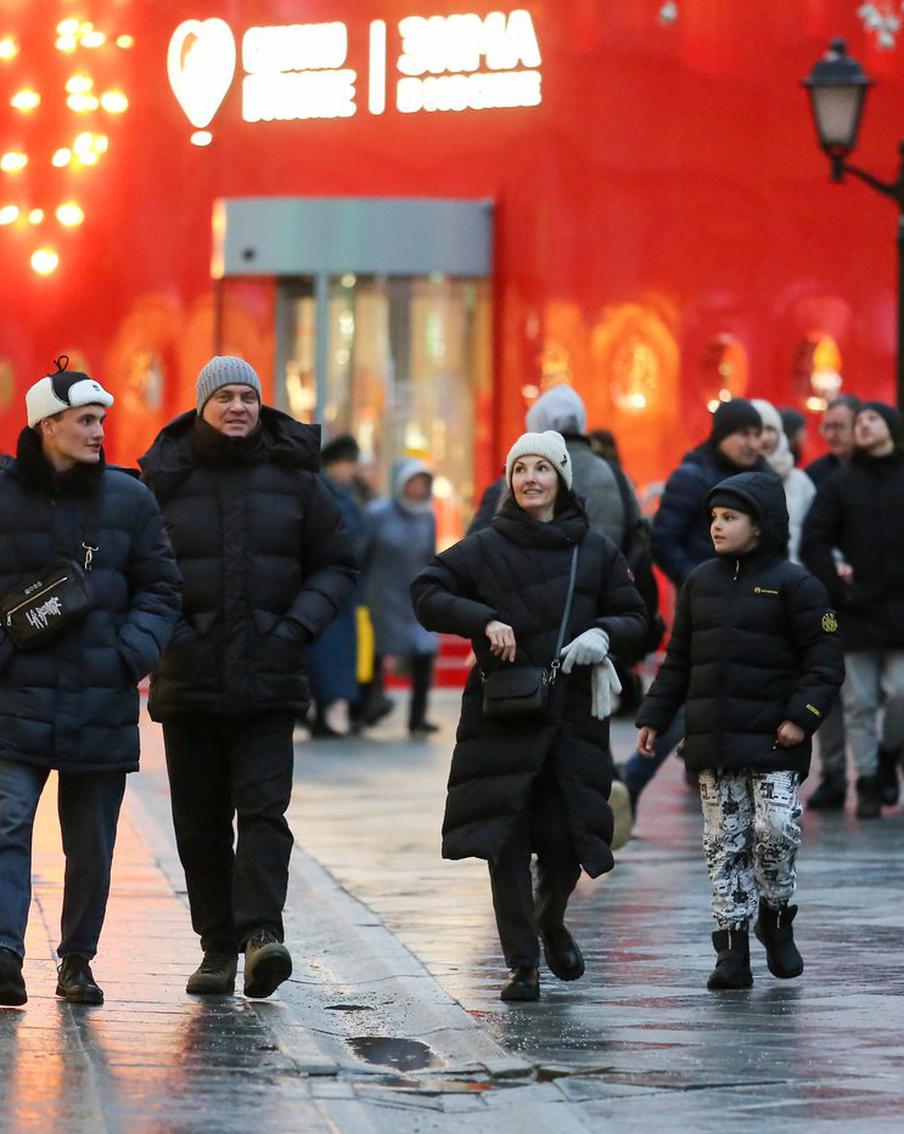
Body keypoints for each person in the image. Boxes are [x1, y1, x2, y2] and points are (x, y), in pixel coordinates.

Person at [139, 356, 357, 999]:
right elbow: (138, 570)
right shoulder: (165, 477)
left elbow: (337, 564)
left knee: (264, 812)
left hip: (269, 676)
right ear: (202, 406)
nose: (238, 407)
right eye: (225, 397)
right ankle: (216, 947)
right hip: (190, 681)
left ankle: (262, 933)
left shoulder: (296, 477)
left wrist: (294, 629)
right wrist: (175, 636)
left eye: (248, 397)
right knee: (200, 822)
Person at [411, 431, 646, 1002]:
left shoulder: (594, 549)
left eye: (541, 468)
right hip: (503, 711)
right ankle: (522, 964)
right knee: (507, 841)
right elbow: (426, 591)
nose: (530, 479)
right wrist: (482, 620)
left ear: (561, 479)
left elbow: (637, 618)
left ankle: (550, 917)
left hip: (573, 716)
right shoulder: (486, 545)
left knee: (569, 837)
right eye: (520, 469)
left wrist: (602, 634)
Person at [0, 358, 180, 1008]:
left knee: (92, 846)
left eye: (101, 419)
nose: (99, 431)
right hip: (14, 697)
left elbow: (162, 587)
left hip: (100, 698)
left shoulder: (130, 499)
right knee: (7, 824)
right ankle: (4, 954)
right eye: (86, 420)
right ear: (47, 425)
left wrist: (130, 653)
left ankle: (77, 961)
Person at [636, 473, 843, 990]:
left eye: (730, 518)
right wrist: (654, 716)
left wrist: (802, 717)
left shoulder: (797, 585)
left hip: (777, 739)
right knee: (723, 844)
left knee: (776, 830)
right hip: (715, 739)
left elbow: (824, 661)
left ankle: (775, 916)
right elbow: (679, 660)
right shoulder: (699, 583)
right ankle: (731, 950)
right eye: (714, 518)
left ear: (761, 525)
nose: (717, 527)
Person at [622, 398, 770, 812]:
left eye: (757, 434)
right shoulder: (692, 476)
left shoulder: (762, 476)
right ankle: (633, 777)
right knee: (694, 695)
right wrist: (699, 580)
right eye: (743, 434)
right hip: (706, 608)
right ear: (722, 435)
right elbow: (664, 539)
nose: (752, 442)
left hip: (754, 606)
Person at [800, 401, 904, 818]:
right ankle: (867, 781)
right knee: (859, 701)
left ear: (891, 426)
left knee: (900, 692)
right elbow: (814, 541)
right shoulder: (840, 484)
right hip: (857, 610)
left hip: (900, 610)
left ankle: (888, 753)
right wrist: (837, 587)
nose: (863, 426)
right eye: (859, 421)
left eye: (872, 419)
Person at [804, 394, 860, 808]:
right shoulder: (816, 476)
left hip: (877, 599)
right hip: (827, 598)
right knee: (830, 689)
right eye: (828, 427)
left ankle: (880, 764)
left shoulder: (886, 472)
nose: (832, 434)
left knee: (881, 691)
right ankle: (835, 771)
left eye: (840, 426)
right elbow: (810, 538)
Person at [363, 458, 439, 736]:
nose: (417, 489)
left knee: (425, 650)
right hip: (382, 596)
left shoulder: (428, 516)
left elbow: (430, 555)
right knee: (374, 653)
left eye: (423, 483)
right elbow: (362, 553)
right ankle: (363, 708)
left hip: (416, 595)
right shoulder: (377, 514)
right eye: (412, 482)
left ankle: (418, 716)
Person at [306, 435, 368, 738]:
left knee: (335, 654)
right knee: (324, 654)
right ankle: (319, 712)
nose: (353, 470)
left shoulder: (344, 493)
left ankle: (324, 712)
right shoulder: (323, 492)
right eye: (349, 464)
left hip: (343, 586)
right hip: (325, 584)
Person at [751, 399, 815, 562]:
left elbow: (816, 533)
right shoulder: (732, 477)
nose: (765, 437)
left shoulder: (800, 481)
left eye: (770, 429)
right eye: (758, 430)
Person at [805, 394, 860, 488]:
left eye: (839, 426)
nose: (830, 435)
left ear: (859, 427)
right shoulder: (814, 473)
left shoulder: (877, 470)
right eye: (827, 427)